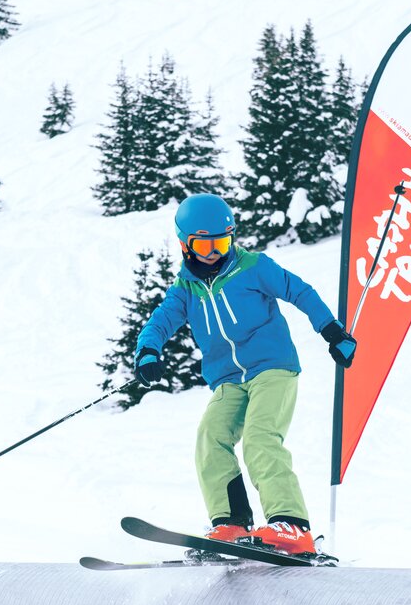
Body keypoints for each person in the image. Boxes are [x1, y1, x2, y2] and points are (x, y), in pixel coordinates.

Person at [133, 194, 357, 556]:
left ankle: (292, 524)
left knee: (259, 437)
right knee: (211, 436)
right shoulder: (185, 291)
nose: (214, 253)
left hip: (273, 367)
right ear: (185, 244)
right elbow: (159, 322)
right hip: (228, 381)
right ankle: (232, 523)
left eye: (222, 242)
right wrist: (147, 352)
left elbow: (298, 290)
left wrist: (331, 330)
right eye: (204, 245)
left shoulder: (253, 266)